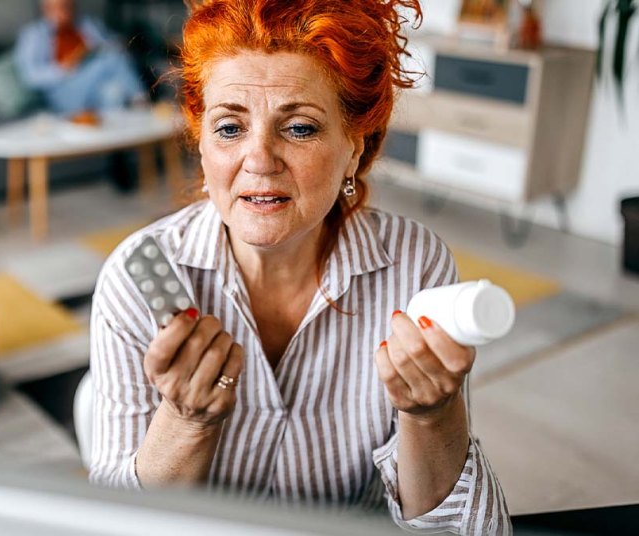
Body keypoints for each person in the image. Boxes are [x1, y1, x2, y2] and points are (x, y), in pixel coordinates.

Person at [87, 0, 512, 534]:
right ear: (200, 142)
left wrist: (432, 414)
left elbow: (465, 533)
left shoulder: (415, 267)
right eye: (229, 128)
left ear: (354, 150)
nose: (259, 159)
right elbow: (108, 523)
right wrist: (185, 422)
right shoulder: (135, 277)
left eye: (301, 129)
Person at [14, 0, 147, 115]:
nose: (66, 11)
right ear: (46, 9)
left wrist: (116, 44)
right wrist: (63, 69)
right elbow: (29, 76)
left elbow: (109, 42)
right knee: (112, 57)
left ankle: (110, 141)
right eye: (60, 7)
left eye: (69, 6)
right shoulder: (33, 34)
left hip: (95, 81)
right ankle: (141, 99)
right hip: (63, 90)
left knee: (113, 93)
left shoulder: (87, 23)